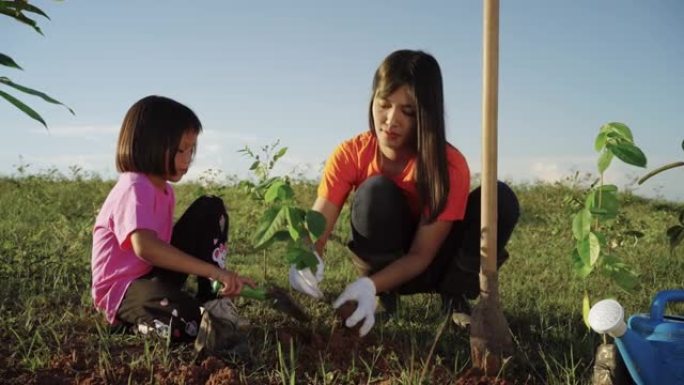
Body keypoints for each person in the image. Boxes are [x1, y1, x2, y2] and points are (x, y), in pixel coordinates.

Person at [289, 50, 520, 337]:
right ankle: (385, 296)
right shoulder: (352, 153)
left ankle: (455, 296)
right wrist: (306, 257)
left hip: (435, 262)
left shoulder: (448, 164)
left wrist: (368, 285)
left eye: (408, 111)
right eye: (384, 104)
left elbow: (422, 254)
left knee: (499, 200)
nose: (391, 120)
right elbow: (318, 224)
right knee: (376, 191)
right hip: (385, 257)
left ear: (427, 113)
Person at [91, 95, 254, 342]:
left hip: (154, 276)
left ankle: (212, 300)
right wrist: (213, 271)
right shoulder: (134, 187)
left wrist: (218, 276)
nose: (188, 159)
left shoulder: (165, 191)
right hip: (124, 290)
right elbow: (146, 248)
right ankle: (137, 321)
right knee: (185, 317)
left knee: (211, 208)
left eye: (192, 150)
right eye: (181, 150)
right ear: (150, 144)